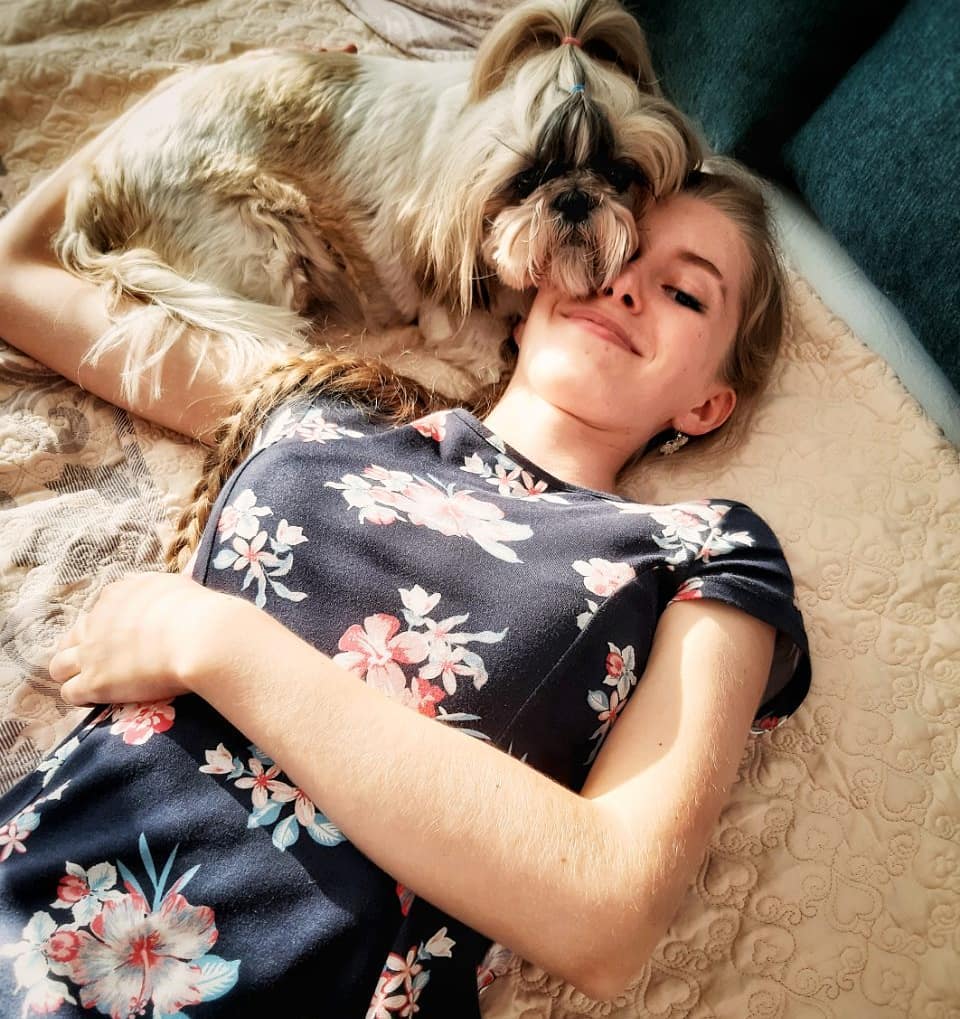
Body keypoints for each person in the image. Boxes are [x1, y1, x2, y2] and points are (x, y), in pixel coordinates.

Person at [0, 136, 810, 1017]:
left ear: (707, 403)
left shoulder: (703, 550)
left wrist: (215, 642)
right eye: (605, 247)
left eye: (685, 292)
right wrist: (235, 83)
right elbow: (18, 275)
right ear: (537, 274)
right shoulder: (330, 405)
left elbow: (606, 910)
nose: (624, 285)